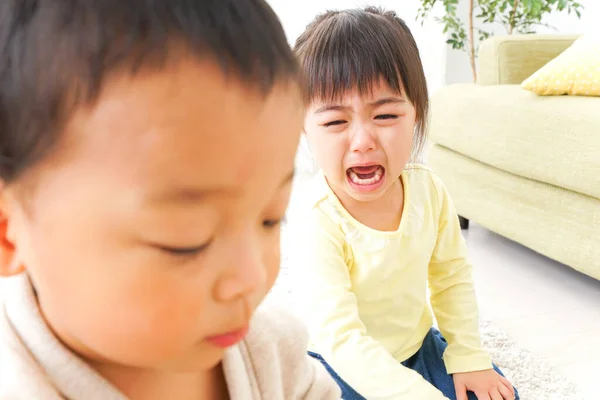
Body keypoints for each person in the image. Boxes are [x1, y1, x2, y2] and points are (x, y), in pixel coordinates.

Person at [0, 1, 341, 399]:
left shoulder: (273, 354)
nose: (253, 278)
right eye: (186, 240)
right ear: (10, 232)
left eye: (270, 219)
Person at [290, 6, 519, 400]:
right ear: (303, 128)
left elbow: (450, 276)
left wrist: (468, 354)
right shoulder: (318, 220)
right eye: (334, 122)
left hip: (415, 348)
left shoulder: (428, 191)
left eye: (385, 114)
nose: (362, 141)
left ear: (416, 113)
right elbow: (340, 339)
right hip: (336, 362)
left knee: (497, 394)